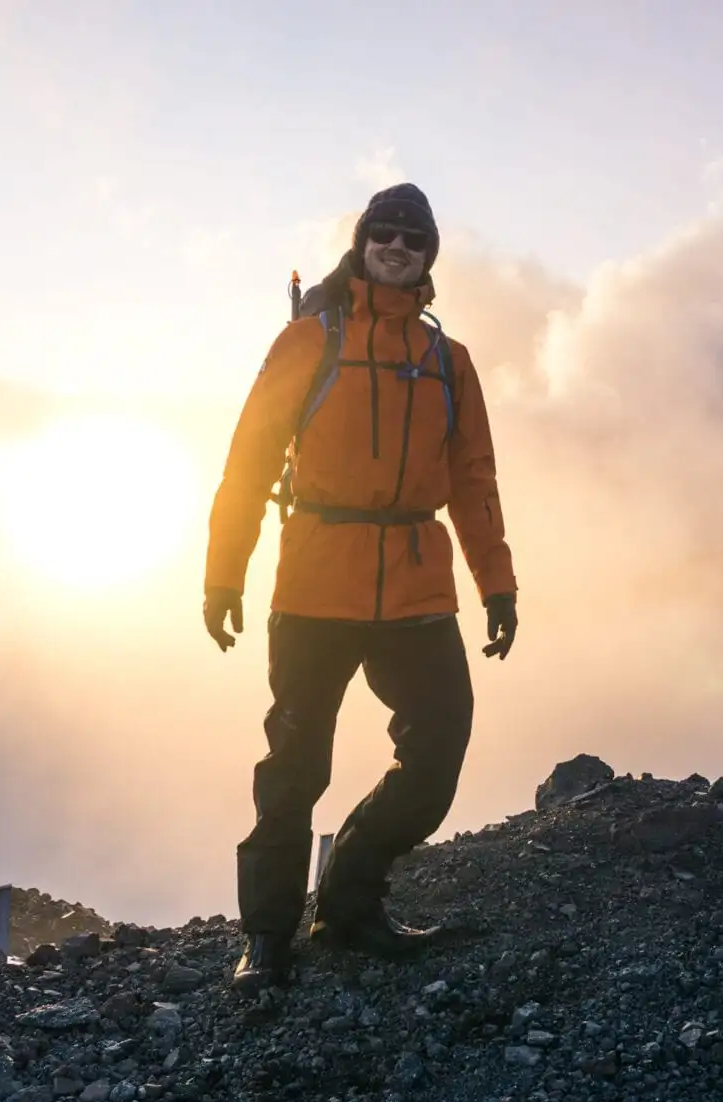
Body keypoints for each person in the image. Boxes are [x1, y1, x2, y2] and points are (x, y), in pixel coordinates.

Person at [202, 183, 519, 994]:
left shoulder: (450, 361)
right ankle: (266, 939)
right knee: (295, 767)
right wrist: (223, 573)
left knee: (439, 747)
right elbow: (248, 462)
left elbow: (474, 479)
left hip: (416, 586)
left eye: (414, 238)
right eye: (385, 232)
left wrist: (498, 583)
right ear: (362, 241)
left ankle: (347, 898)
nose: (398, 245)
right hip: (313, 587)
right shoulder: (307, 342)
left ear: (429, 257)